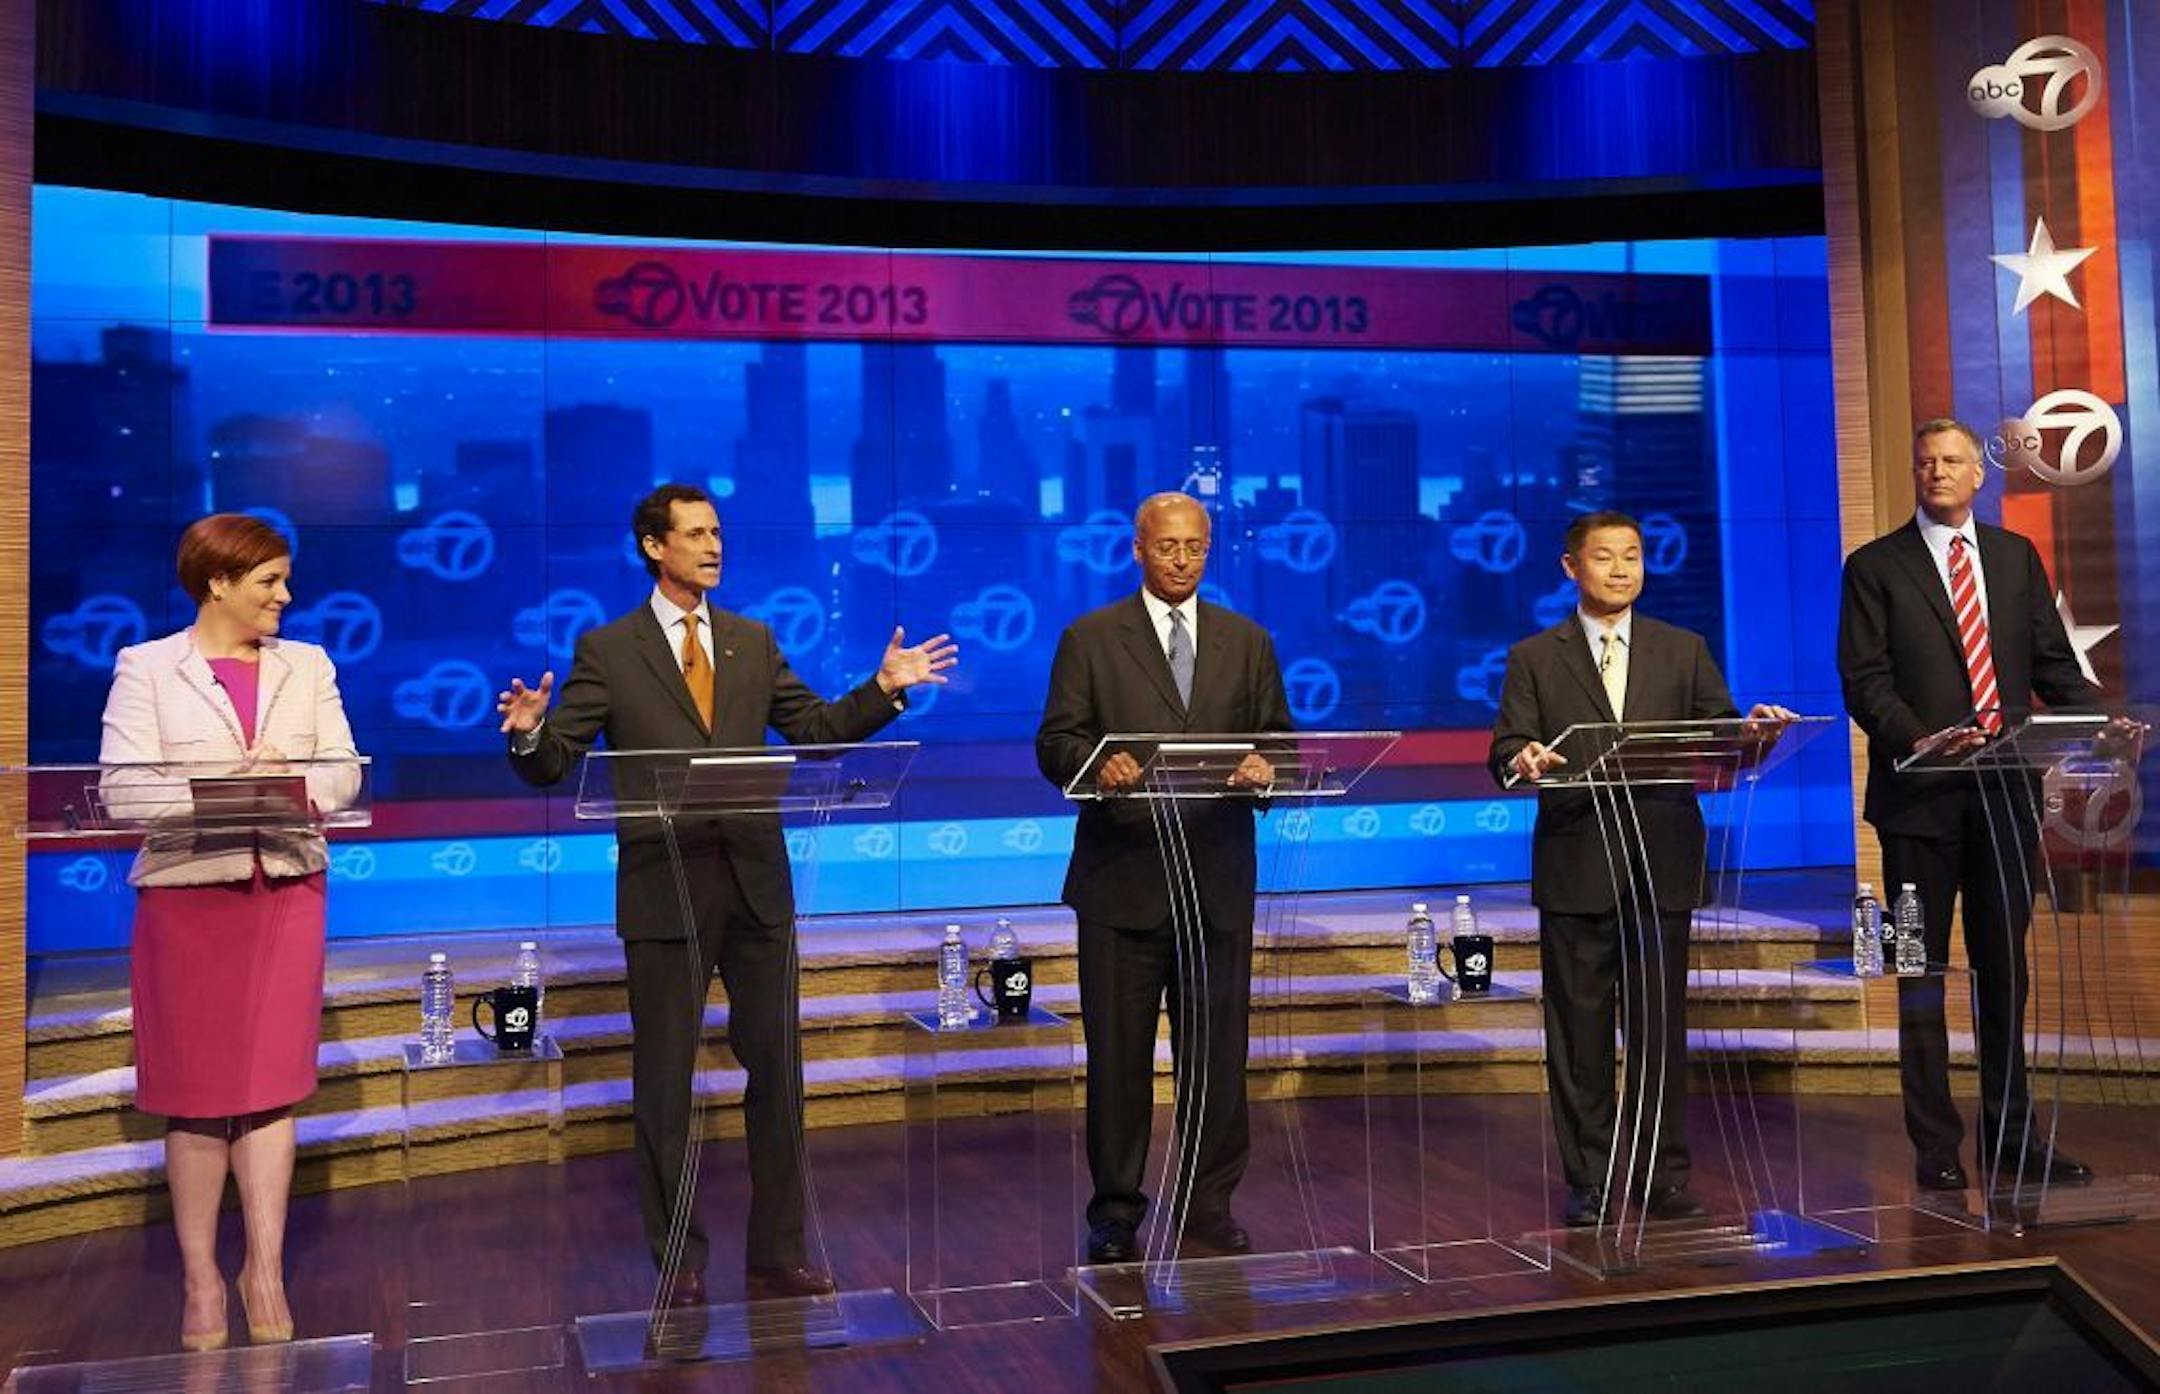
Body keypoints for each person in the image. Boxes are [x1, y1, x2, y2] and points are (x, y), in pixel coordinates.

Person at [497, 483, 955, 1306]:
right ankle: (679, 1260)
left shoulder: (751, 641)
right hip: (663, 887)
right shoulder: (610, 649)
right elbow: (557, 759)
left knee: (777, 1073)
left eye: (717, 533)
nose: (713, 546)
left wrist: (885, 689)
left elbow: (814, 731)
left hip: (756, 886)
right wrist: (532, 728)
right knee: (665, 1084)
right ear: (653, 546)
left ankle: (778, 1254)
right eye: (696, 534)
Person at [98, 513, 362, 1350]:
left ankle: (265, 1270)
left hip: (286, 891)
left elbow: (344, 772)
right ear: (218, 583)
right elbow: (123, 791)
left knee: (271, 1086)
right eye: (269, 582)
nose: (286, 596)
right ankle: (203, 1280)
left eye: (284, 580)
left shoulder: (308, 665)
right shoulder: (146, 667)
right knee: (198, 1094)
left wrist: (291, 785)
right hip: (190, 901)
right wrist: (224, 791)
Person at [1487, 510, 1793, 1228]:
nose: (1621, 569)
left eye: (1632, 556)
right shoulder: (1535, 656)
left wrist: (1753, 736)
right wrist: (1523, 759)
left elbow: (1722, 740)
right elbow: (1507, 752)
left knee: (1658, 1032)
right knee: (1580, 1036)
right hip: (1577, 863)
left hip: (1661, 865)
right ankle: (1589, 1178)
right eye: (1604, 557)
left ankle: (1661, 1177)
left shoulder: (1681, 649)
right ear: (1571, 568)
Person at [1837, 417, 2100, 1194]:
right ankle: (1935, 1146)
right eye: (1925, 463)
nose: (1938, 473)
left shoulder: (2015, 557)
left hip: (2004, 800)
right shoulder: (1875, 566)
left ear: (1978, 474)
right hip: (1918, 802)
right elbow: (1864, 678)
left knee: (2003, 970)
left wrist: (2098, 716)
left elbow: (2051, 661)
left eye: (1951, 461)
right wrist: (1923, 739)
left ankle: (2014, 1140)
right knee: (1920, 968)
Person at [1035, 491, 1291, 1264]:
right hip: (1124, 884)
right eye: (1168, 546)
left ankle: (1207, 1203)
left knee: (1217, 1056)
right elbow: (1056, 742)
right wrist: (1097, 765)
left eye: (1196, 547)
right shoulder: (1091, 637)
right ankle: (1115, 1212)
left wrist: (1264, 768)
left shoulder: (1247, 641)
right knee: (1118, 1058)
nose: (1183, 560)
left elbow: (1279, 737)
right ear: (1138, 548)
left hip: (1214, 879)